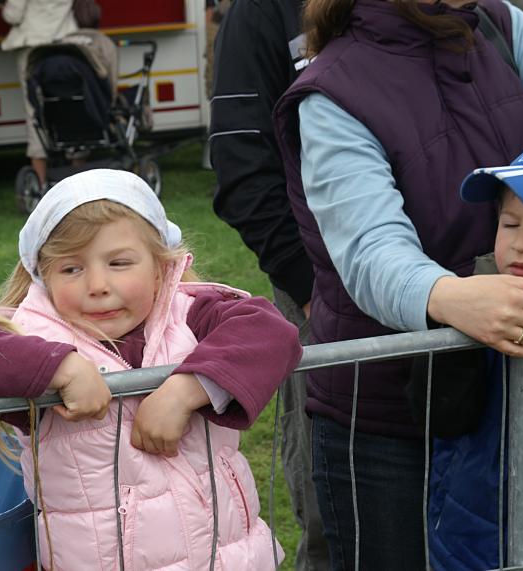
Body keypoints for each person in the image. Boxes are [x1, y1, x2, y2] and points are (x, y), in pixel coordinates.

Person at [271, 0, 523, 567]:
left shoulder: (503, 26)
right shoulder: (331, 91)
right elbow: (370, 249)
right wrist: (452, 297)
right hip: (388, 423)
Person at [0, 169, 301, 570]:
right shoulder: (32, 336)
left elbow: (271, 330)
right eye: (71, 269)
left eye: (119, 262)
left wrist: (187, 390)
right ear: (44, 277)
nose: (98, 284)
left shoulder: (191, 316)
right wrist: (60, 368)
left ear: (159, 267)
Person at [426, 135, 523, 571]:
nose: (521, 244)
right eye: (509, 224)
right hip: (479, 543)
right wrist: (454, 318)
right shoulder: (473, 304)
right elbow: (440, 415)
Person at [209, 1, 326, 569]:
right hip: (323, 292)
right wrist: (308, 287)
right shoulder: (261, 11)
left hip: (453, 287)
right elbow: (241, 162)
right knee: (334, 499)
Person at [0, 0, 78, 186]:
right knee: (71, 104)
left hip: (33, 47)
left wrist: (2, 7)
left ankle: (40, 183)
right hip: (65, 41)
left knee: (34, 110)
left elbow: (13, 15)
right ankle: (78, 173)